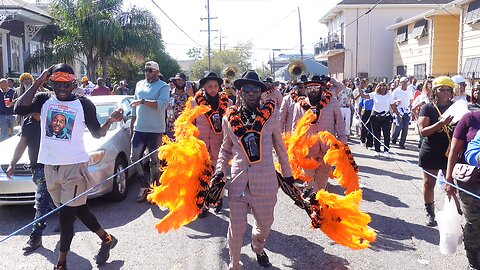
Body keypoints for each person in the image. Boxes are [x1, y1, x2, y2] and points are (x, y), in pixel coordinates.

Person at [14, 63, 124, 269]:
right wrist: (39, 81)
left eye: (66, 84)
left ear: (73, 84)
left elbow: (97, 133)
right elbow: (18, 107)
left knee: (65, 217)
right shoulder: (43, 100)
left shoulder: (84, 104)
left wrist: (110, 120)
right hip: (49, 168)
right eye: (57, 83)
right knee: (78, 209)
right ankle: (107, 238)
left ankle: (61, 263)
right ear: (52, 83)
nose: (62, 88)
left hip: (74, 167)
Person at [215, 70, 293, 269]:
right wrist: (219, 171)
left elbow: (280, 148)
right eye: (246, 89)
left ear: (261, 93)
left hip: (266, 181)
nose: (251, 93)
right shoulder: (228, 119)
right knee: (237, 227)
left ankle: (258, 247)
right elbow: (225, 149)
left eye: (255, 89)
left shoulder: (272, 116)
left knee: (265, 225)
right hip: (239, 180)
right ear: (240, 92)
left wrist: (288, 174)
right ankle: (234, 263)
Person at [6, 113, 56, 253]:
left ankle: (36, 236)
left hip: (53, 166)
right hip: (36, 168)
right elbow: (23, 143)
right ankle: (68, 217)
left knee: (41, 201)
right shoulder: (28, 122)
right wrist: (13, 163)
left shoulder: (51, 119)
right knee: (49, 199)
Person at [291, 75, 347, 192]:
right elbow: (295, 129)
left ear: (321, 88)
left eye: (316, 88)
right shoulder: (299, 105)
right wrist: (294, 150)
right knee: (309, 183)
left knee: (321, 184)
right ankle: (311, 205)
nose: (313, 91)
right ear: (305, 90)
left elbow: (340, 126)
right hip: (308, 152)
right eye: (310, 89)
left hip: (326, 152)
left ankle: (319, 207)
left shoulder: (332, 102)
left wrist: (343, 146)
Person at [192, 72, 232, 217]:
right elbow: (189, 123)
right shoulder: (195, 102)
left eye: (216, 86)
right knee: (201, 175)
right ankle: (202, 205)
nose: (213, 89)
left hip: (219, 145)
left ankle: (218, 198)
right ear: (204, 87)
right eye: (210, 86)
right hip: (201, 145)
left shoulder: (228, 103)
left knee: (219, 173)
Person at [416, 76, 455, 226]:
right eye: (441, 89)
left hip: (449, 152)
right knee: (429, 183)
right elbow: (423, 131)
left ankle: (452, 214)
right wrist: (440, 123)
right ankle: (430, 213)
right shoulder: (428, 108)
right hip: (431, 150)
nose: (445, 93)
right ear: (435, 91)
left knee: (451, 185)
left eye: (448, 90)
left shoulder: (456, 107)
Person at [130, 61, 170, 202]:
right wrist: (131, 124)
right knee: (134, 158)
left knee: (154, 161)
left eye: (150, 70)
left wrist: (142, 101)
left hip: (155, 130)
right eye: (146, 70)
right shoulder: (139, 84)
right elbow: (134, 107)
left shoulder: (163, 86)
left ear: (157, 72)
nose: (147, 73)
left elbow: (162, 104)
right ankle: (144, 185)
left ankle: (154, 188)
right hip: (139, 128)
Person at [445, 110, 480, 270]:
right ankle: (474, 261)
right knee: (476, 222)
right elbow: (457, 150)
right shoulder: (470, 118)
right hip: (472, 182)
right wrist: (448, 181)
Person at [358, 82, 397, 157]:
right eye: (381, 87)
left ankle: (386, 150)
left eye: (384, 87)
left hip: (386, 116)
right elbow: (363, 96)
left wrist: (398, 115)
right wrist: (359, 88)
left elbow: (393, 106)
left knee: (386, 133)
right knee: (376, 134)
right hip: (375, 116)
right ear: (378, 88)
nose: (383, 89)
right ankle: (377, 150)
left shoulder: (389, 96)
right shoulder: (374, 94)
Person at [166, 73, 191, 137]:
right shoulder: (168, 94)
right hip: (171, 128)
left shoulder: (188, 95)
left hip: (184, 128)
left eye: (183, 80)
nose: (181, 82)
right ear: (175, 81)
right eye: (179, 80)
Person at [391, 77, 413, 149]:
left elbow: (411, 99)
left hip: (406, 110)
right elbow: (391, 101)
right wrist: (396, 101)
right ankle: (394, 138)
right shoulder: (396, 91)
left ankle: (402, 143)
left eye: (406, 82)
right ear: (400, 83)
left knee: (405, 128)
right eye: (403, 82)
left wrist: (410, 107)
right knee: (399, 126)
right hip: (399, 110)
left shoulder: (409, 90)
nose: (405, 84)